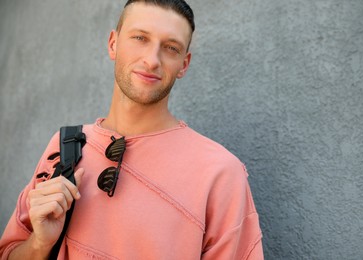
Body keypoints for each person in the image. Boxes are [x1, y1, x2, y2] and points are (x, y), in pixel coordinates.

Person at [0, 0, 264, 259]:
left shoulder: (220, 172)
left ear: (184, 64)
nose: (152, 60)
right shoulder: (66, 145)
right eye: (140, 38)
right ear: (113, 43)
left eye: (171, 47)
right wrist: (39, 244)